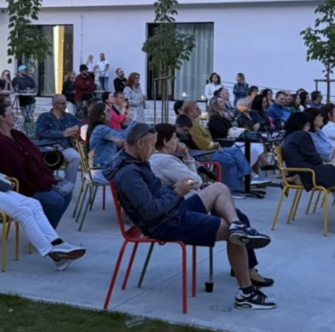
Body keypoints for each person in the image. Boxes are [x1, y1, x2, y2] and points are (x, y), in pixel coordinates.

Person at [105, 122, 276, 310]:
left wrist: (172, 189)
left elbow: (155, 193)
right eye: (152, 145)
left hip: (173, 212)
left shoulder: (136, 162)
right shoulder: (129, 173)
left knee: (218, 188)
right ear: (139, 143)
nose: (154, 149)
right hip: (165, 223)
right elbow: (150, 211)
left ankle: (237, 224)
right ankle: (246, 294)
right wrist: (177, 192)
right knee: (232, 234)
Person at [0, 110, 86, 269]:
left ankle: (58, 245)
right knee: (23, 211)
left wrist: (4, 180)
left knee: (33, 204)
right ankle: (51, 252)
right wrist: (5, 185)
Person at [0, 104, 73, 228]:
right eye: (11, 114)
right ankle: (40, 231)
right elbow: (13, 168)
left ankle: (47, 231)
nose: (15, 116)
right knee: (56, 201)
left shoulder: (17, 134)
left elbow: (34, 153)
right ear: (1, 118)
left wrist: (43, 175)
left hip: (34, 178)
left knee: (67, 194)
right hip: (20, 185)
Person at [282, 112, 335, 235]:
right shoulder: (302, 135)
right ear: (301, 124)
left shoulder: (291, 136)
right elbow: (315, 159)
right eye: (307, 124)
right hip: (306, 175)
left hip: (303, 173)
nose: (309, 127)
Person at [34, 95, 82, 186]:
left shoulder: (69, 117)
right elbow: (40, 132)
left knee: (76, 157)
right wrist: (62, 134)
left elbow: (81, 123)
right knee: (48, 157)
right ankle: (48, 182)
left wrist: (76, 127)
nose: (65, 105)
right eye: (62, 103)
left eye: (65, 102)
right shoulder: (44, 117)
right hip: (48, 146)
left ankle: (69, 184)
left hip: (65, 146)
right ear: (54, 104)